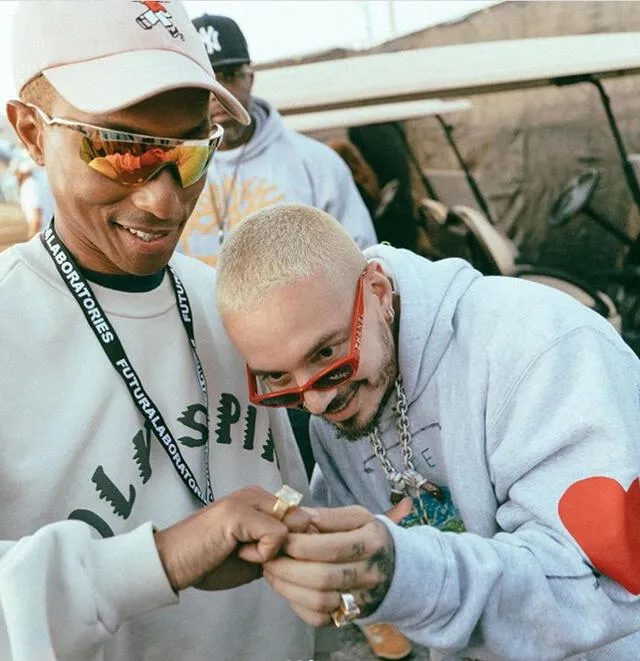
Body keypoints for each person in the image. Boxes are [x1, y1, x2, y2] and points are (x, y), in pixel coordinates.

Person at [1, 3, 313, 660]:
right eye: (118, 150)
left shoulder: (231, 305)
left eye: (192, 151)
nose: (164, 201)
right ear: (30, 132)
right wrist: (166, 559)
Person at [215, 202, 640, 661]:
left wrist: (406, 573)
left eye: (326, 354)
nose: (316, 401)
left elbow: (605, 582)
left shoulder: (541, 346)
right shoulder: (341, 402)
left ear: (377, 291)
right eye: (277, 378)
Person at [178, 13, 378, 269]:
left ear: (250, 78)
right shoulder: (171, 166)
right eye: (205, 81)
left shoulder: (316, 163)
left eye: (228, 75)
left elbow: (361, 258)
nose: (218, 94)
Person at [9, 148, 54, 237]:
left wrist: (32, 240)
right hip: (53, 235)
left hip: (43, 237)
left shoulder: (29, 187)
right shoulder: (43, 184)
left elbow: (36, 219)